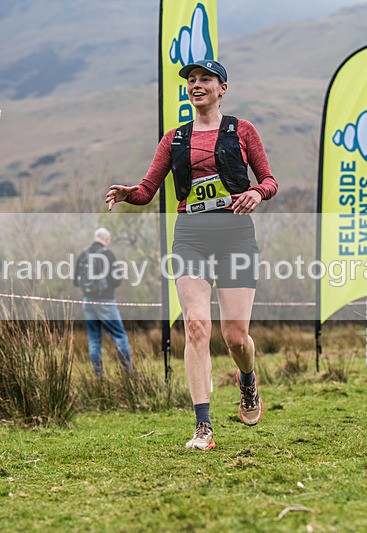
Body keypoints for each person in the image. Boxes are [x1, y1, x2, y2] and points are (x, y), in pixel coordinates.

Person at [106, 59, 278, 450]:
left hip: (234, 235)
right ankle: (204, 426)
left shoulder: (242, 131)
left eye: (206, 80)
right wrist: (128, 193)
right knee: (197, 327)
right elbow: (149, 190)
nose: (196, 85)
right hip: (190, 237)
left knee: (235, 337)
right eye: (192, 80)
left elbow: (269, 180)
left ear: (223, 89)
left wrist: (256, 192)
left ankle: (247, 381)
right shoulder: (174, 139)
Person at [74, 228, 134, 377]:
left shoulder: (83, 254)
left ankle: (98, 376)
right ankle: (129, 374)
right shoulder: (107, 254)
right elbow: (116, 280)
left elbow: (76, 281)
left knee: (94, 340)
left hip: (87, 302)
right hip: (105, 301)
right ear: (106, 239)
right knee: (119, 337)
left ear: (95, 238)